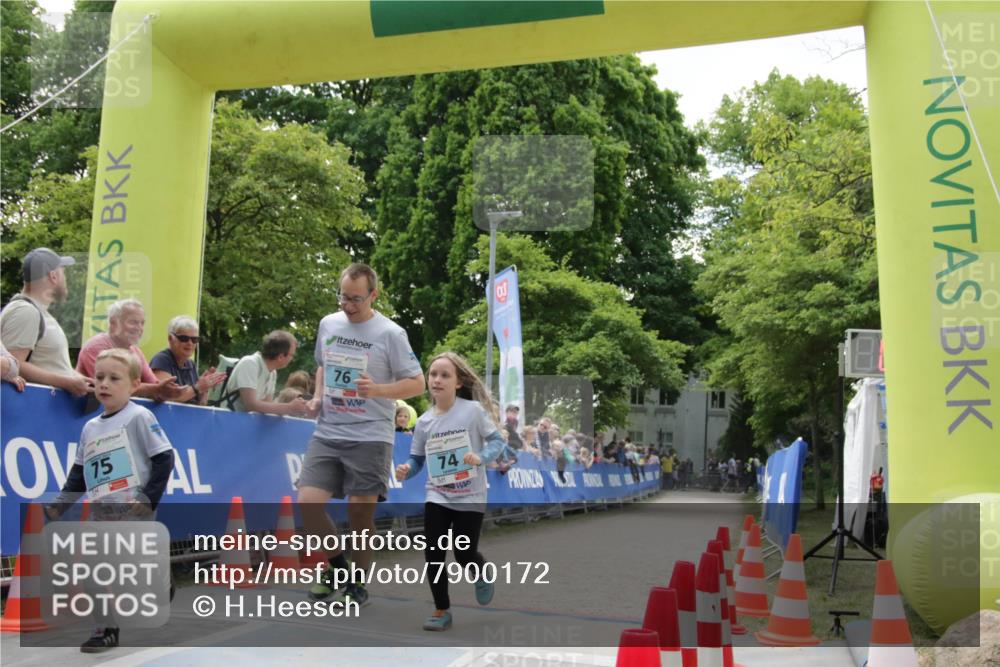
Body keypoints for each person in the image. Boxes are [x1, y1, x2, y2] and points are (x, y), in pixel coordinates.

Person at [299, 263, 424, 608]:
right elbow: (323, 364)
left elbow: (417, 383)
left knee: (359, 512)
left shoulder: (390, 333)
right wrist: (317, 396)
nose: (347, 305)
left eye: (355, 299)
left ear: (373, 295)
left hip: (371, 434)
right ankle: (340, 569)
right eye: (342, 296)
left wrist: (378, 389)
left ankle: (359, 583)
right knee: (308, 503)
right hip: (329, 429)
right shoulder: (329, 323)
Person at [45, 348, 175, 653]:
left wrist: (149, 496)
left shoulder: (139, 417)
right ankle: (105, 629)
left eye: (114, 378)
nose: (104, 383)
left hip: (134, 511)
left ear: (133, 385)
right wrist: (61, 503)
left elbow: (164, 458)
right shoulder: (90, 427)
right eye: (99, 377)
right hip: (101, 513)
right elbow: (79, 471)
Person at [394, 352, 505, 631]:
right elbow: (418, 459)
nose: (437, 380)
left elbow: (496, 442)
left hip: (470, 495)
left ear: (458, 382)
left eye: (445, 375)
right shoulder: (424, 422)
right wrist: (407, 468)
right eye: (433, 374)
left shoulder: (472, 411)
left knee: (464, 553)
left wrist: (480, 457)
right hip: (438, 494)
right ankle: (441, 609)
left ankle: (479, 571)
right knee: (433, 553)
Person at [0, 248, 93, 396]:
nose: (66, 279)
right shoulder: (26, 311)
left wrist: (76, 377)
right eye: (63, 272)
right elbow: (12, 366)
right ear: (53, 276)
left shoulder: (36, 311)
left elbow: (48, 364)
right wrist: (66, 382)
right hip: (33, 411)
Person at [77, 299, 185, 402]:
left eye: (142, 323)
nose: (139, 328)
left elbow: (154, 385)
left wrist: (167, 390)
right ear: (113, 323)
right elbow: (112, 387)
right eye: (133, 322)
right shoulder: (96, 347)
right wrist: (156, 389)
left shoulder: (135, 351)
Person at [226, 330, 307, 416]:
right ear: (280, 356)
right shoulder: (250, 363)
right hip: (227, 421)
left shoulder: (272, 372)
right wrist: (289, 408)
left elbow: (267, 406)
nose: (292, 359)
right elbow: (251, 405)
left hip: (245, 424)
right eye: (292, 355)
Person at [149, 315, 227, 405]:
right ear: (170, 339)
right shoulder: (161, 360)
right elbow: (167, 397)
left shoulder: (190, 364)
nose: (190, 343)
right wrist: (198, 387)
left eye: (194, 339)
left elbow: (200, 405)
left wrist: (205, 389)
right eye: (184, 338)